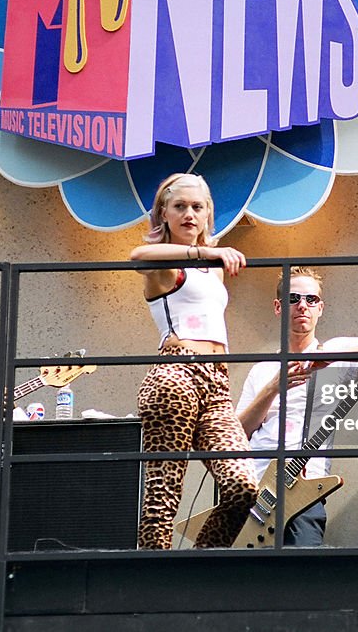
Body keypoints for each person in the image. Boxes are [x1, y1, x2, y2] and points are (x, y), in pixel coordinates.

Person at [236, 266, 358, 546]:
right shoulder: (262, 369)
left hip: (305, 491)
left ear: (320, 308)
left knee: (304, 573)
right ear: (278, 307)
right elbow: (237, 436)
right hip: (256, 492)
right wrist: (271, 389)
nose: (302, 306)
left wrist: (333, 354)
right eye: (293, 299)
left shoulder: (336, 352)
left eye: (311, 300)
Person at [130, 172, 258, 549]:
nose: (189, 214)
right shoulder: (170, 266)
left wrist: (211, 257)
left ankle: (199, 565)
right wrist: (206, 251)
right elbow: (137, 256)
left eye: (197, 207)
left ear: (207, 215)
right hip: (176, 376)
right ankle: (151, 582)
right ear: (163, 214)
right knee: (163, 494)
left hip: (216, 385)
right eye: (179, 206)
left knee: (242, 488)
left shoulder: (209, 271)